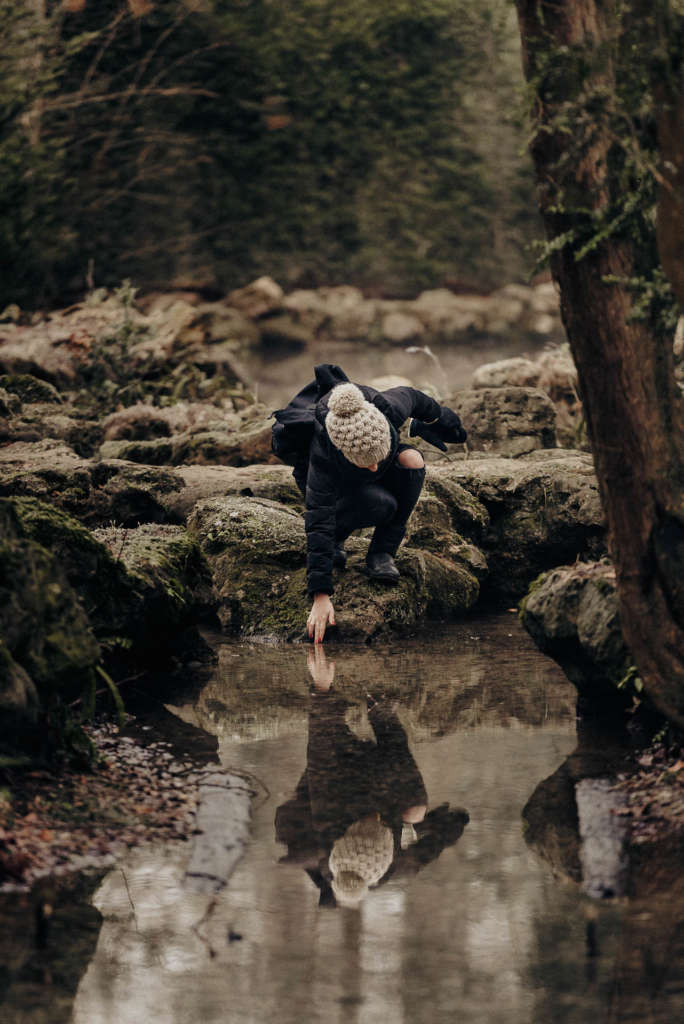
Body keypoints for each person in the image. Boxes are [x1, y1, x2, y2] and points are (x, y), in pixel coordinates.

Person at [274, 647, 470, 908]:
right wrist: (442, 823)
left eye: (363, 825)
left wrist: (322, 689)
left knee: (330, 748)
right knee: (415, 809)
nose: (373, 820)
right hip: (382, 791)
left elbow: (321, 743)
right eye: (379, 828)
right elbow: (440, 837)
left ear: (344, 834)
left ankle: (373, 714)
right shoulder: (401, 864)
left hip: (339, 775)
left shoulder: (327, 816)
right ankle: (381, 710)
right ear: (390, 845)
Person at [289, 366, 466, 642]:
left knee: (413, 460)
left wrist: (445, 425)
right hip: (341, 491)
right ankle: (338, 538)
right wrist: (320, 595)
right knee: (380, 503)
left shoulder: (387, 407)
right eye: (365, 460)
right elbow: (317, 519)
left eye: (376, 456)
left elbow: (420, 400)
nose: (372, 466)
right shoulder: (322, 454)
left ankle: (382, 553)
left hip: (371, 470)